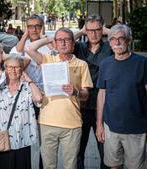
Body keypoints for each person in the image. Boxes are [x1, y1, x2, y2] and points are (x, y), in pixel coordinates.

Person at [25, 27, 93, 169]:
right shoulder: (47, 60)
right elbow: (29, 48)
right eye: (59, 40)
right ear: (55, 44)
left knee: (71, 165)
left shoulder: (82, 64)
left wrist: (76, 92)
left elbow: (86, 95)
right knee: (49, 166)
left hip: (72, 124)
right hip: (47, 122)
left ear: (73, 44)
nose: (63, 43)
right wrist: (50, 39)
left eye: (67, 40)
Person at [0, 54, 42, 169]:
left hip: (21, 139)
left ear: (22, 69)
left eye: (16, 67)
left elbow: (38, 98)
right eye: (10, 67)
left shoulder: (27, 87)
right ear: (5, 69)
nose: (13, 70)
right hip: (0, 138)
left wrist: (29, 80)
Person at [96, 24, 147, 169]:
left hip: (137, 128)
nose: (117, 43)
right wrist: (99, 124)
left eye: (121, 38)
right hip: (111, 128)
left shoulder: (142, 63)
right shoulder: (105, 64)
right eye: (112, 39)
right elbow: (102, 94)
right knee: (114, 166)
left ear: (129, 40)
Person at [10, 14, 55, 169]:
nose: (34, 29)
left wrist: (45, 38)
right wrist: (24, 37)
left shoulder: (48, 43)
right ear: (26, 28)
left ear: (42, 26)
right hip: (26, 97)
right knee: (24, 137)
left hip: (46, 97)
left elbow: (56, 59)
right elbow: (13, 59)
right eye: (30, 26)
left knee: (46, 140)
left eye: (37, 26)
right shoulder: (22, 45)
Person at [73, 14, 112, 169]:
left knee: (105, 150)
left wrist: (106, 30)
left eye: (97, 30)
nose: (94, 34)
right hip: (81, 106)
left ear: (102, 29)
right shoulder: (79, 47)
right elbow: (63, 40)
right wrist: (81, 31)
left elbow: (124, 35)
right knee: (78, 151)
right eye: (90, 30)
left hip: (102, 106)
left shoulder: (110, 47)